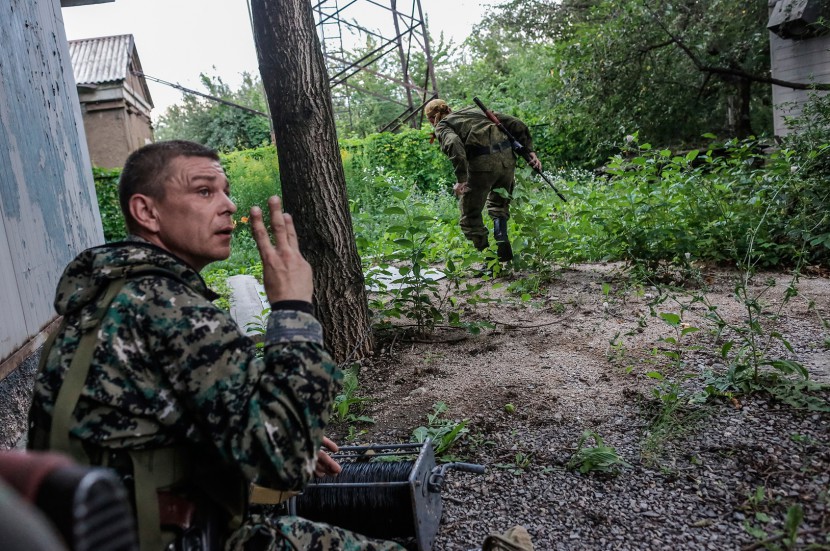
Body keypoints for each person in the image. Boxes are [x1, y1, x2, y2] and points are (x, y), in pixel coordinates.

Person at [27, 140, 403, 551]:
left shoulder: (107, 296)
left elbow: (154, 423)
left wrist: (266, 427)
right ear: (146, 212)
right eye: (205, 191)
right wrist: (293, 308)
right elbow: (285, 465)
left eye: (225, 190)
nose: (227, 204)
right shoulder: (173, 309)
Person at [425, 98, 542, 263]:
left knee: (469, 215)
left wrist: (461, 180)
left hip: (482, 167)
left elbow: (453, 144)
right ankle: (502, 241)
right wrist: (530, 151)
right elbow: (516, 122)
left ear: (431, 119)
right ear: (449, 109)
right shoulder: (474, 111)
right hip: (507, 162)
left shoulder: (443, 125)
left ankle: (489, 259)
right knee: (498, 205)